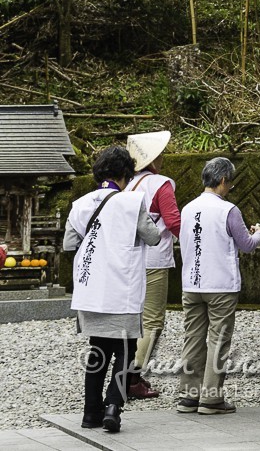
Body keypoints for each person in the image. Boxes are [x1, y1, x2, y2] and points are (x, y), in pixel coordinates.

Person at [64, 145, 165, 435]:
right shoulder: (131, 202)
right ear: (125, 174)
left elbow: (70, 244)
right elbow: (153, 237)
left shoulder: (81, 204)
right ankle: (113, 407)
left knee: (97, 349)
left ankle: (90, 413)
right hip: (122, 289)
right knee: (124, 350)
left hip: (92, 289)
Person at [174, 156, 260, 416]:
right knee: (218, 340)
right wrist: (258, 232)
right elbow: (246, 244)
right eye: (230, 183)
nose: (230, 188)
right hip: (221, 285)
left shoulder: (188, 208)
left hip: (192, 283)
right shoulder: (228, 210)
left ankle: (189, 396)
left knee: (192, 338)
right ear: (223, 180)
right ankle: (211, 399)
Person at [125, 129, 180, 399]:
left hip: (128, 259)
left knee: (133, 317)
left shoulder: (125, 184)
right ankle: (133, 377)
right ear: (153, 159)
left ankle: (128, 372)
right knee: (153, 320)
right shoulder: (161, 184)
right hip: (155, 259)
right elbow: (173, 221)